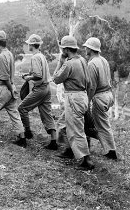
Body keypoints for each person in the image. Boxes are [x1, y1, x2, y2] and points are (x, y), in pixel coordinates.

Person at [53, 35, 94, 170]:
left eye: (63, 49)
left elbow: (56, 78)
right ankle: (70, 150)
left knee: (76, 130)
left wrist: (60, 61)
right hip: (82, 96)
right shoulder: (82, 60)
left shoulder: (69, 63)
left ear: (66, 49)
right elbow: (88, 81)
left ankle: (86, 160)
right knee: (62, 123)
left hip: (73, 97)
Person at [18, 34, 58, 150]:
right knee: (47, 114)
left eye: (28, 44)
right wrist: (29, 75)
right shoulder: (42, 56)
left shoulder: (35, 57)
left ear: (31, 45)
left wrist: (28, 78)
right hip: (47, 88)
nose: (28, 45)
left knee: (22, 108)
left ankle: (27, 131)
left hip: (40, 89)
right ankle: (53, 141)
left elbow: (38, 75)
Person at [83, 37, 118, 159]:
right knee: (103, 123)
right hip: (108, 94)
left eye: (86, 47)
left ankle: (110, 151)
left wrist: (86, 101)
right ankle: (109, 148)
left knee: (101, 125)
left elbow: (92, 87)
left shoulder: (92, 64)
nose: (85, 49)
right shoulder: (103, 60)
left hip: (100, 96)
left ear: (90, 49)